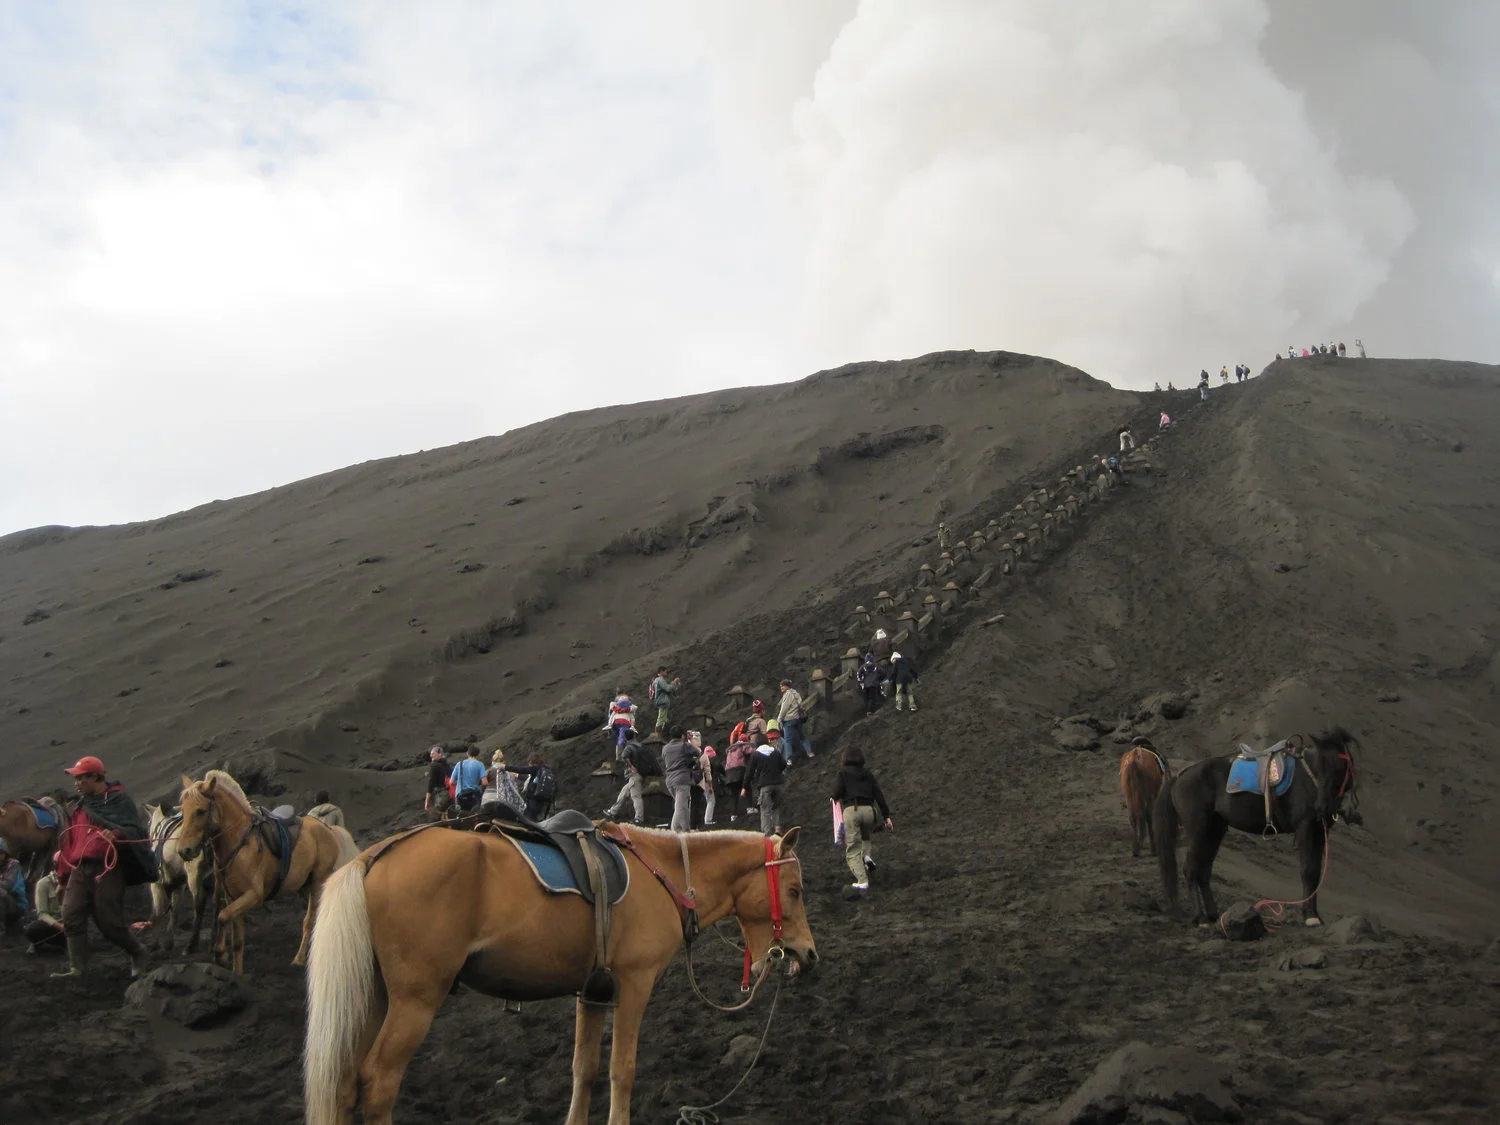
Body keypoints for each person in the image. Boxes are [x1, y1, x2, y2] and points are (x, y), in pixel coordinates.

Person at [52, 755, 156, 980]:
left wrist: (116, 834)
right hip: (80, 869)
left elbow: (135, 831)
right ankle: (77, 968)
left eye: (80, 779)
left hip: (108, 867)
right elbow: (71, 843)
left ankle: (138, 952)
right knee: (70, 913)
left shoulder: (120, 801)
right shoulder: (80, 807)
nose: (76, 784)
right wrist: (62, 878)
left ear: (95, 777)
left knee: (109, 921)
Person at [830, 746, 893, 892]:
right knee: (865, 835)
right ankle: (866, 857)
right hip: (870, 811)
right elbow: (878, 794)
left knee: (852, 848)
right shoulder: (868, 774)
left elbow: (837, 792)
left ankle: (862, 880)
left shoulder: (843, 773)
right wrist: (887, 816)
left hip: (852, 811)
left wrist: (833, 796)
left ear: (844, 759)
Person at [742, 734, 789, 836]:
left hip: (765, 785)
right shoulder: (775, 752)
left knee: (765, 809)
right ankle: (777, 828)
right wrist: (777, 771)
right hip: (779, 783)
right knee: (776, 806)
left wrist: (744, 787)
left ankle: (766, 834)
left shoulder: (756, 754)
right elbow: (784, 764)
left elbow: (749, 772)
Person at [603, 730, 648, 824]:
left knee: (636, 796)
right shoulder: (640, 746)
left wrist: (631, 767)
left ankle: (639, 818)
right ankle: (613, 811)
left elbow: (623, 756)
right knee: (624, 792)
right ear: (634, 736)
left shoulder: (629, 747)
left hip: (634, 775)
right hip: (638, 775)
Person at [662, 726, 701, 832]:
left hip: (669, 780)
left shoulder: (665, 748)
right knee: (680, 807)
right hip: (682, 779)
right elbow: (698, 752)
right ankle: (674, 830)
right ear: (682, 736)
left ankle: (686, 829)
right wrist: (691, 740)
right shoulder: (684, 745)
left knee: (682, 805)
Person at [25, 871, 65, 954]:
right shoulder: (43, 883)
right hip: (54, 925)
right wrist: (60, 926)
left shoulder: (78, 881)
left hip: (73, 925)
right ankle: (42, 945)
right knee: (33, 929)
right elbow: (42, 913)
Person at [508, 752, 557, 820]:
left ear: (531, 761)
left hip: (534, 799)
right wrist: (516, 775)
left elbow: (522, 770)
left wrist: (505, 767)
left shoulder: (535, 768)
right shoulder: (544, 769)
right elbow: (527, 777)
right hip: (542, 799)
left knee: (529, 818)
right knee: (534, 817)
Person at [479, 750, 526, 818]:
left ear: (493, 761)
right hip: (503, 799)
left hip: (488, 798)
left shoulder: (489, 771)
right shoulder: (508, 771)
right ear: (503, 761)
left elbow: (483, 784)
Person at [777, 679, 814, 763]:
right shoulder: (796, 693)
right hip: (798, 719)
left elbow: (784, 709)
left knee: (787, 740)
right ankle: (809, 752)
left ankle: (789, 759)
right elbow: (800, 705)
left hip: (788, 720)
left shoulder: (787, 694)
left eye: (782, 685)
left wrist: (779, 719)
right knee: (803, 737)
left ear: (787, 686)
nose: (781, 687)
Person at [720, 734, 753, 822]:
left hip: (729, 773)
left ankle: (733, 815)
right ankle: (750, 809)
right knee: (747, 787)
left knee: (734, 795)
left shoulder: (731, 749)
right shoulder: (743, 746)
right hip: (740, 771)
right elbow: (752, 751)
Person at [450, 745, 488, 814]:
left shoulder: (459, 764)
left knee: (460, 817)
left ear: (467, 753)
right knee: (474, 817)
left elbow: (451, 782)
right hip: (474, 796)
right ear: (477, 754)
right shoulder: (480, 765)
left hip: (460, 796)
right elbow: (485, 782)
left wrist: (459, 784)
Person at [0, 839, 26, 935]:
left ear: (6, 854)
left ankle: (1, 930)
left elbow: (7, 885)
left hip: (15, 904)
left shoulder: (13, 865)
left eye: (1, 853)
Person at [650, 667, 681, 735]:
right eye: (665, 672)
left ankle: (661, 733)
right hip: (663, 702)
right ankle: (657, 735)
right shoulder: (659, 680)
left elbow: (669, 690)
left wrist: (675, 685)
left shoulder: (658, 680)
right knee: (661, 719)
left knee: (665, 719)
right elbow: (667, 689)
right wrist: (674, 682)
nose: (667, 673)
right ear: (661, 672)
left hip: (663, 702)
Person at [424, 745, 451, 819]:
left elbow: (431, 782)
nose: (431, 755)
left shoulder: (434, 765)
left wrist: (427, 799)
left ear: (440, 754)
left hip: (441, 795)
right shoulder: (447, 764)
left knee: (435, 817)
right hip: (450, 793)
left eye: (433, 754)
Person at [699, 744, 719, 827]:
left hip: (698, 783)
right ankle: (708, 820)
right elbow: (708, 775)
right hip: (706, 783)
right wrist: (710, 786)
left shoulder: (701, 759)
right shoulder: (710, 762)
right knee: (711, 800)